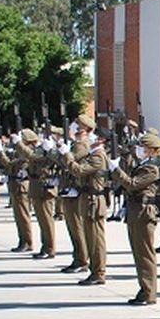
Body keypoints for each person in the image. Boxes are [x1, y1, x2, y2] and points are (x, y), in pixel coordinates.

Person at [113, 131, 160, 305]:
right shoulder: (143, 164)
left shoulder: (152, 168)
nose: (139, 149)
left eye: (142, 147)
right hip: (136, 210)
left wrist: (116, 170)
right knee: (138, 253)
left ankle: (149, 292)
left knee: (145, 255)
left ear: (151, 150)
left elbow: (132, 184)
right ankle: (144, 289)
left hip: (144, 212)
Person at [65, 119, 109, 286]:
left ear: (101, 140)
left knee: (96, 240)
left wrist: (67, 155)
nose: (90, 137)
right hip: (89, 200)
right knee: (91, 238)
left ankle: (99, 272)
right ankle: (94, 271)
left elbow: (79, 171)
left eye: (94, 136)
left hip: (94, 201)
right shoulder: (93, 154)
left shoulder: (98, 156)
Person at [57, 123, 89, 275]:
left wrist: (64, 153)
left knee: (77, 228)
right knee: (72, 227)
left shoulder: (82, 146)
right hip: (69, 190)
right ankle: (77, 258)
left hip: (76, 191)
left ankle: (82, 260)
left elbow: (72, 164)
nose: (75, 130)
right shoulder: (76, 144)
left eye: (79, 128)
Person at [28, 128, 60, 259]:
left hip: (46, 188)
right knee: (42, 220)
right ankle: (45, 246)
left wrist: (50, 150)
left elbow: (34, 157)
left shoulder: (53, 149)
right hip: (37, 186)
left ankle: (50, 248)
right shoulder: (43, 148)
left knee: (47, 220)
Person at [6, 131, 36, 253]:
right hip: (15, 185)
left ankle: (27, 242)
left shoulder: (27, 151)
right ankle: (22, 240)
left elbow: (12, 163)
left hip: (22, 186)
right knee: (18, 216)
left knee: (23, 216)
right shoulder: (19, 151)